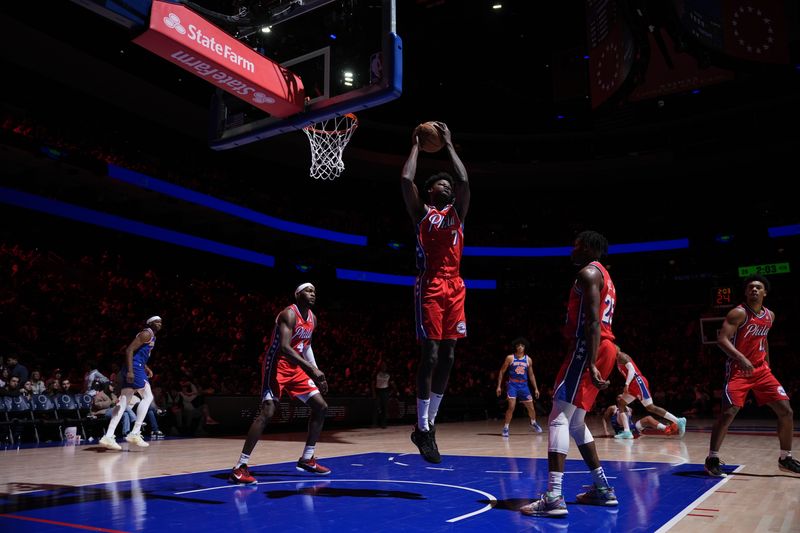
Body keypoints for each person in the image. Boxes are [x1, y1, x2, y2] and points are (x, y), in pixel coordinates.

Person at [521, 231, 619, 518]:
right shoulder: (606, 276)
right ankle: (603, 488)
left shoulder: (587, 273)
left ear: (588, 247)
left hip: (588, 348)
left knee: (558, 418)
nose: (571, 249)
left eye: (575, 244)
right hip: (603, 346)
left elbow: (591, 320)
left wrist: (589, 360)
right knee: (576, 422)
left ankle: (553, 496)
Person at [401, 121, 470, 464]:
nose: (447, 186)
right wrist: (416, 145)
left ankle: (430, 425)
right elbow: (405, 181)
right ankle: (421, 425)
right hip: (430, 283)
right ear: (431, 191)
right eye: (440, 183)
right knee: (429, 355)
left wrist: (449, 145)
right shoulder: (422, 213)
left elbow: (464, 181)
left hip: (455, 285)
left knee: (450, 357)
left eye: (448, 183)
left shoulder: (457, 214)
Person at [229, 283, 330, 485]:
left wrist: (318, 373)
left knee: (321, 406)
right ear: (297, 294)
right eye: (308, 291)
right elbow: (284, 348)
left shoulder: (313, 319)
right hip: (276, 365)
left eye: (314, 292)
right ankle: (240, 467)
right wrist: (312, 369)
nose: (313, 294)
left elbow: (306, 347)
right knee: (268, 411)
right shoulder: (288, 314)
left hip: (296, 368)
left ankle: (307, 458)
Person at [705, 275, 800, 476]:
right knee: (729, 412)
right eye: (750, 288)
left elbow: (763, 340)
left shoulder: (770, 316)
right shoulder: (738, 313)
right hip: (739, 370)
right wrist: (741, 358)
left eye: (758, 287)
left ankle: (785, 458)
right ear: (746, 293)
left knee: (786, 411)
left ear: (765, 292)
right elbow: (722, 339)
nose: (754, 290)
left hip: (761, 370)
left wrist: (768, 365)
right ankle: (712, 457)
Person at [99, 316, 161, 450]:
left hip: (137, 366)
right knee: (148, 396)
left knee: (123, 402)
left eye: (161, 322)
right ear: (150, 323)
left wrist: (146, 367)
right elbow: (129, 350)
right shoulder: (146, 333)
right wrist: (131, 372)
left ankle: (108, 436)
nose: (159, 324)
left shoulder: (151, 336)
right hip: (134, 367)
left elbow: (138, 353)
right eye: (156, 322)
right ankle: (135, 432)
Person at [612, 345, 686, 439]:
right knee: (621, 404)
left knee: (650, 407)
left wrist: (626, 384)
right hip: (633, 385)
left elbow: (632, 370)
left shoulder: (621, 356)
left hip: (638, 382)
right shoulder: (617, 360)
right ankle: (627, 432)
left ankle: (678, 421)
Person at [496, 337, 542, 437]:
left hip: (524, 385)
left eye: (522, 345)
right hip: (512, 385)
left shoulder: (528, 359)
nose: (520, 347)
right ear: (516, 347)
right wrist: (499, 386)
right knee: (511, 407)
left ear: (525, 347)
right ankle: (506, 427)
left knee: (531, 409)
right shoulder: (510, 358)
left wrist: (536, 388)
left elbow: (531, 375)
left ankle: (533, 422)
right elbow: (502, 371)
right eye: (518, 345)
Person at [602, 395, 676, 438]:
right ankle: (626, 432)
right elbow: (604, 419)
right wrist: (606, 431)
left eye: (622, 397)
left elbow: (629, 421)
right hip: (620, 431)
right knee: (621, 412)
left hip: (631, 428)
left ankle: (666, 429)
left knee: (648, 418)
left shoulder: (630, 409)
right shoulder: (612, 408)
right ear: (616, 399)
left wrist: (640, 428)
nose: (620, 398)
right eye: (619, 397)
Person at [373, 361, 392, 428]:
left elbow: (391, 383)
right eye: (382, 365)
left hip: (385, 391)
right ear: (380, 366)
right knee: (376, 407)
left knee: (384, 408)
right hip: (378, 391)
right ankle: (374, 423)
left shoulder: (389, 374)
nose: (383, 367)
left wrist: (391, 391)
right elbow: (372, 383)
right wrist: (374, 393)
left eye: (385, 365)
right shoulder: (376, 373)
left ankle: (383, 424)